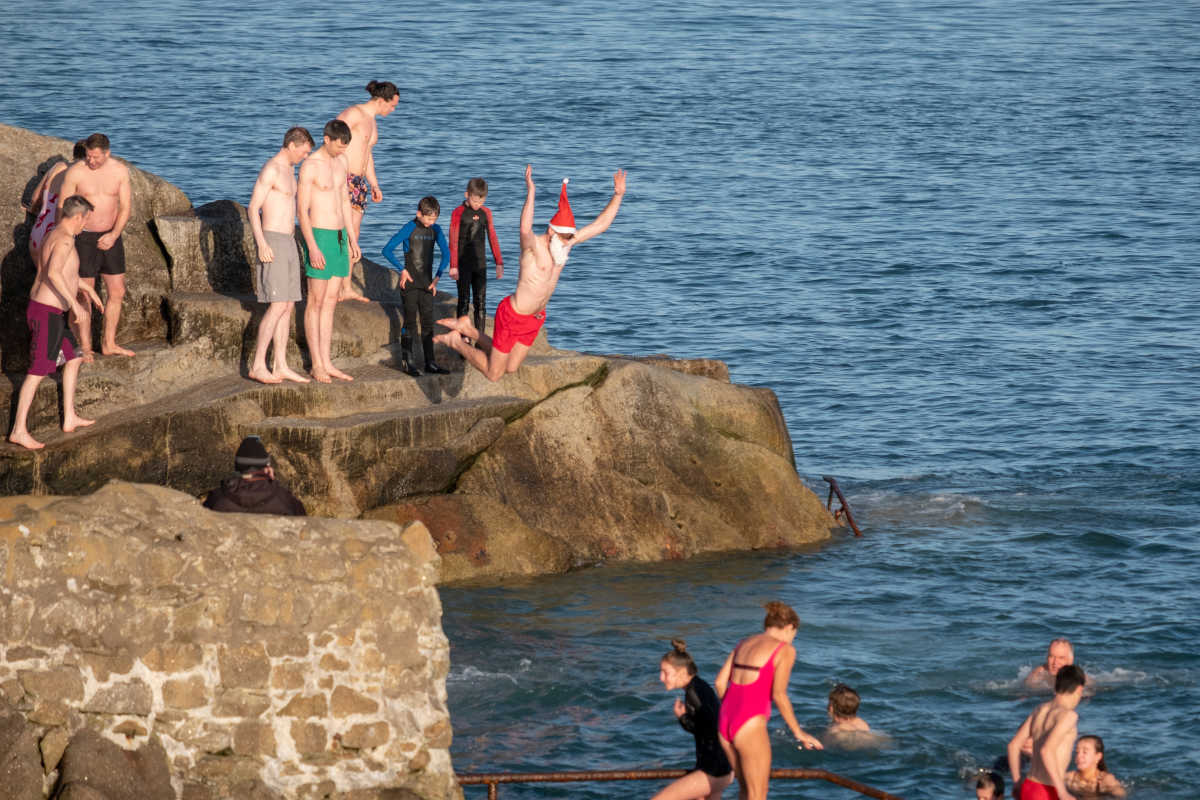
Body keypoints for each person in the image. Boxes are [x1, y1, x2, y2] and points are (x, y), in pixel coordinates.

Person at [435, 164, 626, 381]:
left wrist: (618, 195)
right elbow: (525, 228)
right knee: (494, 373)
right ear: (552, 230)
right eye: (564, 237)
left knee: (512, 366)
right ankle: (456, 341)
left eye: (569, 237)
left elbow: (599, 225)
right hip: (512, 315)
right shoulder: (533, 247)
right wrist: (531, 191)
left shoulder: (564, 245)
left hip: (535, 318)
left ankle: (469, 330)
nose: (567, 242)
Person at [8, 195, 104, 450]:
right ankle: (18, 430)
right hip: (46, 312)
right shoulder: (63, 240)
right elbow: (52, 274)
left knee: (73, 358)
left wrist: (87, 289)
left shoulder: (56, 233)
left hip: (51, 313)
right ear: (78, 217)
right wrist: (74, 304)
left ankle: (69, 417)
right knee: (38, 370)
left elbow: (63, 272)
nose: (87, 224)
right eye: (86, 219)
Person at [714, 601, 823, 800]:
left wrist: (732, 709)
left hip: (725, 721)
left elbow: (720, 683)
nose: (792, 640)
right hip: (749, 723)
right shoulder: (784, 650)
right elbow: (779, 695)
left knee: (745, 791)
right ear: (790, 627)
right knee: (758, 794)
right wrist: (799, 733)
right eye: (794, 635)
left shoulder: (743, 643)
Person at [246, 126, 315, 385]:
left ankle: (281, 365)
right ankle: (257, 365)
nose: (306, 157)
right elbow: (253, 209)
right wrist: (261, 242)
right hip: (272, 239)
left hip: (288, 240)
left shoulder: (290, 171)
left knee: (287, 305)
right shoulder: (272, 169)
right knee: (276, 306)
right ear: (292, 146)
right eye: (305, 152)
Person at [57, 133, 134, 358]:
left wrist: (114, 234)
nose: (91, 161)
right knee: (84, 294)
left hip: (111, 236)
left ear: (107, 153)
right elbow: (63, 206)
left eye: (96, 157)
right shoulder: (76, 172)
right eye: (89, 156)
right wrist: (65, 238)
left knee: (117, 290)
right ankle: (86, 346)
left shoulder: (119, 171)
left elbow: (125, 207)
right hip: (84, 238)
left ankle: (109, 343)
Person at [298, 119, 361, 383]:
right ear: (327, 139)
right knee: (316, 300)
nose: (342, 151)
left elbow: (345, 201)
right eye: (339, 146)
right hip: (320, 235)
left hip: (339, 236)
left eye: (346, 147)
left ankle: (327, 361)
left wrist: (351, 238)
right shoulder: (310, 166)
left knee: (332, 302)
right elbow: (301, 210)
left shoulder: (341, 162)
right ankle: (316, 364)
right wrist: (311, 246)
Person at [335, 79, 398, 303]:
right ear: (381, 100)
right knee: (342, 233)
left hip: (360, 181)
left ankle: (345, 285)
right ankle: (335, 285)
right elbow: (333, 135)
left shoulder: (372, 122)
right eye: (392, 105)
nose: (393, 110)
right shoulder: (354, 114)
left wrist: (374, 183)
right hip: (344, 177)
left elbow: (367, 154)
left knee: (355, 235)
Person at [652, 639, 733, 800]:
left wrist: (683, 718)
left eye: (665, 672)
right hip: (722, 766)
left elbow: (709, 727)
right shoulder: (700, 686)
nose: (661, 678)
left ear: (682, 672)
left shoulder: (693, 694)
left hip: (713, 769)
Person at [381, 196, 450, 376]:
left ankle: (430, 362)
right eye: (428, 218)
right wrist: (402, 270)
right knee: (410, 321)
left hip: (427, 285)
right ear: (419, 213)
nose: (430, 222)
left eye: (434, 219)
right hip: (410, 284)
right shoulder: (409, 228)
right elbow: (387, 250)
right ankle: (408, 362)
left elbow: (446, 255)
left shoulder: (436, 230)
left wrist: (437, 278)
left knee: (428, 323)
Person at [1007, 664, 1086, 800]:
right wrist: (1062, 792)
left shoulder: (1039, 709)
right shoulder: (1068, 715)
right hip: (1048, 791)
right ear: (1079, 689)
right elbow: (1046, 751)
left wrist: (1017, 781)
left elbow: (1013, 745)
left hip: (1029, 785)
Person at [448, 177, 504, 344]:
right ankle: (463, 336)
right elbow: (453, 240)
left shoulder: (486, 213)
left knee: (481, 301)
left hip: (480, 264)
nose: (477, 204)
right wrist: (453, 266)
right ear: (467, 194)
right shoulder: (458, 212)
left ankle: (480, 338)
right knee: (464, 300)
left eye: (481, 200)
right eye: (474, 200)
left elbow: (492, 237)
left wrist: (499, 262)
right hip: (463, 264)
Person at [202, 435, 306, 516]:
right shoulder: (284, 499)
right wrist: (272, 483)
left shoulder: (217, 498)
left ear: (238, 467)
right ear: (267, 468)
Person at [26, 139, 86, 264]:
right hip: (56, 236)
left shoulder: (57, 166)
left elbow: (35, 196)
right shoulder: (79, 175)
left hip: (38, 231)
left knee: (41, 279)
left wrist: (32, 210)